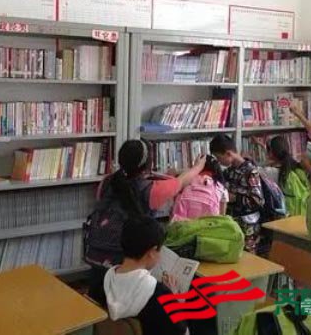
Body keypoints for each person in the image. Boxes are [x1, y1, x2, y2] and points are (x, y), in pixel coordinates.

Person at [86, 139, 206, 305]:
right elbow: (182, 181)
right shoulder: (152, 189)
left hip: (96, 259)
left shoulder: (107, 182)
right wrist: (199, 166)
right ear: (148, 164)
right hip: (126, 264)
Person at [103, 217, 188, 335]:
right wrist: (175, 300)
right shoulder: (160, 293)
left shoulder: (102, 282)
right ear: (152, 252)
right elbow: (182, 332)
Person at [209, 134, 264, 253]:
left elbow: (258, 200)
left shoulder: (251, 171)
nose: (219, 162)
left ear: (228, 154)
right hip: (234, 223)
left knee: (249, 256)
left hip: (248, 225)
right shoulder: (229, 171)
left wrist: (234, 197)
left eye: (219, 158)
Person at [260, 136, 311, 216]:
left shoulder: (271, 172)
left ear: (271, 154)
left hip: (286, 215)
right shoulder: (297, 168)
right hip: (303, 212)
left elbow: (252, 170)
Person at [170, 154, 229, 222]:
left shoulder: (187, 181)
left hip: (182, 224)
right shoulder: (221, 187)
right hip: (209, 225)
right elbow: (222, 216)